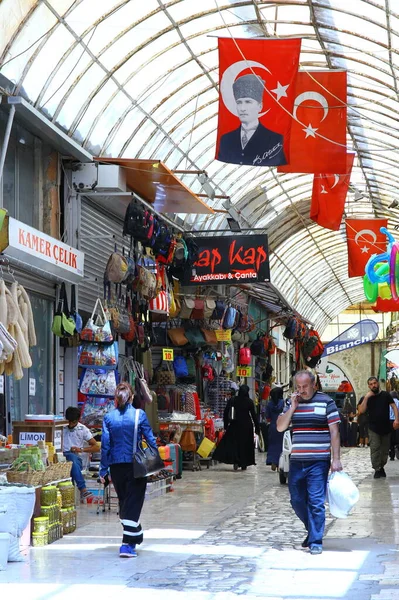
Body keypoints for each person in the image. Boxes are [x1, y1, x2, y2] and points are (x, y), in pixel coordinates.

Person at [277, 370, 342, 555]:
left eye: (305, 386)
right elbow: (280, 427)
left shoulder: (326, 402)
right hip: (297, 460)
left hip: (318, 461)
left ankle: (316, 540)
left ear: (314, 384)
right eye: (298, 387)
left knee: (315, 501)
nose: (302, 390)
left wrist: (336, 459)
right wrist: (292, 408)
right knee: (296, 500)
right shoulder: (292, 402)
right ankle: (312, 529)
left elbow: (334, 432)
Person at [100, 382, 158, 558]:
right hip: (136, 466)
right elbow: (150, 439)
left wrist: (103, 470)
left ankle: (134, 536)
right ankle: (127, 544)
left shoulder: (108, 418)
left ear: (116, 399)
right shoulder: (139, 415)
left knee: (125, 503)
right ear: (131, 397)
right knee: (132, 504)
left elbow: (105, 446)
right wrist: (155, 462)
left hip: (116, 467)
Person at [217, 74, 286, 167]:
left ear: (260, 106)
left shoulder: (274, 139)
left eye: (248, 102)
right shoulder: (226, 139)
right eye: (239, 102)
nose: (242, 108)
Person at [358, 377, 399, 478]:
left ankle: (382, 466)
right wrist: (367, 397)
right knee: (375, 448)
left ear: (378, 383)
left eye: (375, 383)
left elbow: (394, 406)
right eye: (371, 384)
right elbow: (361, 410)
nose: (373, 385)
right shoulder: (367, 397)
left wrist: (397, 419)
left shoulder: (385, 395)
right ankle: (377, 468)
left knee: (385, 450)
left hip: (386, 427)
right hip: (373, 428)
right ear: (369, 386)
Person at [213, 384, 260, 471]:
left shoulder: (233, 400)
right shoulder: (249, 402)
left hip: (235, 424)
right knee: (245, 445)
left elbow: (226, 412)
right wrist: (257, 428)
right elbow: (254, 416)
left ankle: (235, 460)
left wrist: (226, 425)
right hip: (246, 426)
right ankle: (244, 463)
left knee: (235, 444)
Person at [63, 406, 100, 500]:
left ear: (78, 420)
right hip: (61, 458)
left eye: (73, 422)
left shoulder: (83, 429)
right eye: (69, 421)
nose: (70, 424)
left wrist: (81, 449)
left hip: (75, 458)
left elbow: (96, 447)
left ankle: (82, 489)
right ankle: (82, 490)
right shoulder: (61, 427)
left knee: (72, 460)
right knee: (70, 462)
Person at [265, 387, 285, 471]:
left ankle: (273, 460)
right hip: (282, 425)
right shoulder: (283, 403)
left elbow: (267, 416)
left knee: (272, 444)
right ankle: (280, 462)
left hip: (273, 426)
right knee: (281, 445)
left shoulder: (269, 404)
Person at [388, 391, 399, 461]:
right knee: (398, 437)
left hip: (390, 421)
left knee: (391, 438)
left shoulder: (388, 403)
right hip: (397, 420)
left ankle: (392, 455)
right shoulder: (398, 402)